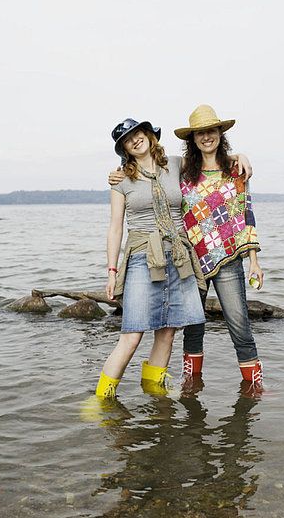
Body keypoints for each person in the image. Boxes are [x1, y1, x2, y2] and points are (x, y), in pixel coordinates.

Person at [94, 118, 207, 400]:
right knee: (132, 335)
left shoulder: (175, 164)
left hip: (178, 254)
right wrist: (111, 272)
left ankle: (156, 396)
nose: (135, 139)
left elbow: (214, 162)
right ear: (125, 149)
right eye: (127, 139)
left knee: (168, 332)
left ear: (148, 135)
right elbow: (116, 227)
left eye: (137, 133)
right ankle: (101, 400)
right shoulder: (121, 180)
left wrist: (240, 157)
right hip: (143, 255)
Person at [175, 104, 264, 390]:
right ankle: (191, 384)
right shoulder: (183, 172)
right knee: (193, 327)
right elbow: (148, 167)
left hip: (229, 260)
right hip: (193, 261)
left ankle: (254, 388)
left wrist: (254, 261)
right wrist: (119, 172)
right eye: (200, 133)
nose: (206, 137)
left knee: (240, 326)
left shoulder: (235, 170)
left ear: (219, 133)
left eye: (210, 130)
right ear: (193, 139)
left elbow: (246, 214)